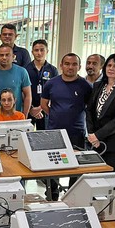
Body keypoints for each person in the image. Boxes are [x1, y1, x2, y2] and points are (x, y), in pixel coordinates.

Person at [41, 53, 92, 200]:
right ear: (61, 65)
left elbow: (89, 107)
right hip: (54, 131)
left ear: (79, 67)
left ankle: (73, 194)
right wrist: (56, 115)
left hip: (76, 132)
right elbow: (44, 104)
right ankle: (53, 193)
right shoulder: (51, 83)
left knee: (76, 166)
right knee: (53, 164)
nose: (70, 67)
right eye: (67, 64)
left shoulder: (85, 86)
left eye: (74, 64)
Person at [25, 39, 59, 130]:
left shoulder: (53, 70)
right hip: (28, 109)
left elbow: (55, 92)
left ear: (47, 51)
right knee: (25, 137)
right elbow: (22, 91)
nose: (39, 53)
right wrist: (32, 109)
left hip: (45, 109)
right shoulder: (25, 69)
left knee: (44, 137)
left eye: (42, 50)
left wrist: (40, 108)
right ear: (32, 52)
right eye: (36, 50)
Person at [0, 45, 31, 118]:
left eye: (7, 55)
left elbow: (28, 95)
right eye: (1, 55)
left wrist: (24, 116)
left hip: (17, 117)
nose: (4, 57)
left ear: (13, 57)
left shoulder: (22, 72)